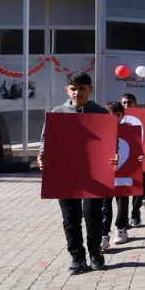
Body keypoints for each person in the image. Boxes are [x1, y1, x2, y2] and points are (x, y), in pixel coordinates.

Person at [37, 72, 111, 275]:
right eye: (73, 88)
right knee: (70, 218)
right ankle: (77, 256)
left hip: (94, 175)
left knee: (93, 216)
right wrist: (42, 156)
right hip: (65, 173)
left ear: (90, 90)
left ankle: (95, 252)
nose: (77, 92)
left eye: (82, 88)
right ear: (66, 90)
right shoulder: (58, 112)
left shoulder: (101, 114)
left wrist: (113, 158)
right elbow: (46, 140)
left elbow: (112, 144)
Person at [102, 101, 143, 247]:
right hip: (105, 174)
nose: (114, 119)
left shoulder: (130, 131)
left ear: (123, 116)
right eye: (110, 116)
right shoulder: (101, 131)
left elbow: (138, 150)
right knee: (105, 204)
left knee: (122, 203)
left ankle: (121, 228)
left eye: (117, 116)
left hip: (124, 174)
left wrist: (140, 157)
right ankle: (104, 234)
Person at [121, 93, 145, 224]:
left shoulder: (143, 118)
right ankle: (122, 220)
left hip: (139, 159)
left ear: (135, 104)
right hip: (122, 160)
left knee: (137, 189)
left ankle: (135, 212)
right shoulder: (117, 118)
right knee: (122, 192)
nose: (126, 105)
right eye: (124, 103)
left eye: (129, 103)